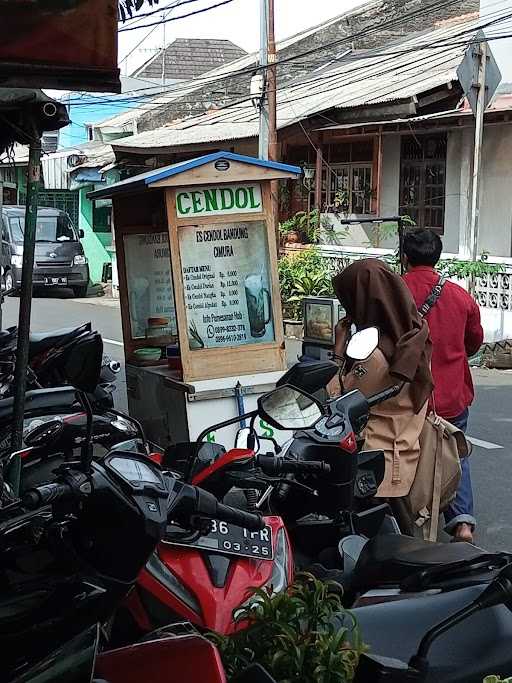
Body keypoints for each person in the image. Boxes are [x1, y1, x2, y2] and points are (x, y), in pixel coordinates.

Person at [330, 259, 433, 533]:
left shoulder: (374, 356)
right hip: (401, 452)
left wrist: (338, 348)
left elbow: (335, 398)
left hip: (373, 465)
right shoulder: (412, 338)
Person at [402, 228, 484, 543]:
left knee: (405, 454)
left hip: (408, 395)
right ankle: (463, 524)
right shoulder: (460, 296)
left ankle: (409, 522)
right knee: (455, 455)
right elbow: (473, 342)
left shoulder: (396, 292)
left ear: (406, 257)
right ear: (437, 257)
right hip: (452, 395)